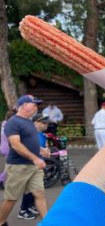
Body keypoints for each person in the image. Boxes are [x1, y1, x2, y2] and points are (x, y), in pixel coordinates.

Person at [0, 95, 48, 225]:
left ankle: (49, 222)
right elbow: (15, 144)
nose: (36, 107)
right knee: (11, 199)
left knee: (39, 194)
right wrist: (35, 158)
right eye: (34, 104)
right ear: (24, 105)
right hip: (18, 166)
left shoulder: (29, 122)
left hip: (34, 166)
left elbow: (30, 143)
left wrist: (41, 150)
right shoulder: (13, 122)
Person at [18, 113, 51, 220]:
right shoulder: (29, 134)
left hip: (37, 164)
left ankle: (30, 206)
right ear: (35, 123)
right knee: (29, 189)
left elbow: (44, 147)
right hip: (28, 164)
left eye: (46, 122)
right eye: (43, 122)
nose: (46, 124)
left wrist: (46, 147)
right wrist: (43, 150)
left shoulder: (41, 134)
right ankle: (23, 210)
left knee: (35, 189)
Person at [0, 110, 16, 190]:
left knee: (9, 166)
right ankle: (1, 180)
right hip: (8, 148)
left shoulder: (4, 124)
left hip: (4, 147)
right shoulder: (9, 126)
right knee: (9, 166)